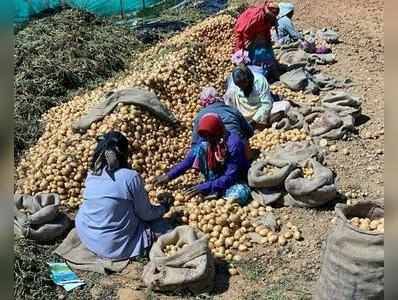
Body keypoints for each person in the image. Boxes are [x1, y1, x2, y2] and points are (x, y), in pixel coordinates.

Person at [75, 131, 172, 260]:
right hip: (114, 247)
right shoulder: (130, 177)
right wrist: (164, 208)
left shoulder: (92, 174)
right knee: (164, 227)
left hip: (87, 236)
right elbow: (146, 214)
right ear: (124, 153)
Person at [155, 113, 251, 205]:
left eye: (211, 136)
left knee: (240, 194)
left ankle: (216, 190)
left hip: (235, 177)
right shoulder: (206, 138)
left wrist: (205, 187)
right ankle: (214, 188)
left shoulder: (233, 144)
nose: (208, 139)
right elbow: (188, 160)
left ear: (218, 131)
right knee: (201, 147)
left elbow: (231, 176)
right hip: (216, 176)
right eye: (205, 137)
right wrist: (169, 176)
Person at [224, 65, 291, 130]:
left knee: (286, 105)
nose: (242, 87)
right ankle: (264, 125)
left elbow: (267, 103)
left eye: (244, 83)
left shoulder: (260, 80)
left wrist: (254, 120)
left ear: (249, 78)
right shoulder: (233, 85)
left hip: (259, 110)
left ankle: (259, 125)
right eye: (239, 85)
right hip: (243, 112)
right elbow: (229, 105)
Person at [233, 1, 280, 81]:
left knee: (266, 51)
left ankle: (272, 70)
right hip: (246, 34)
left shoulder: (266, 18)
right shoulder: (256, 17)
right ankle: (255, 72)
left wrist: (268, 42)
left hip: (255, 33)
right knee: (254, 54)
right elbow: (241, 32)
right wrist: (239, 51)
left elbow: (266, 30)